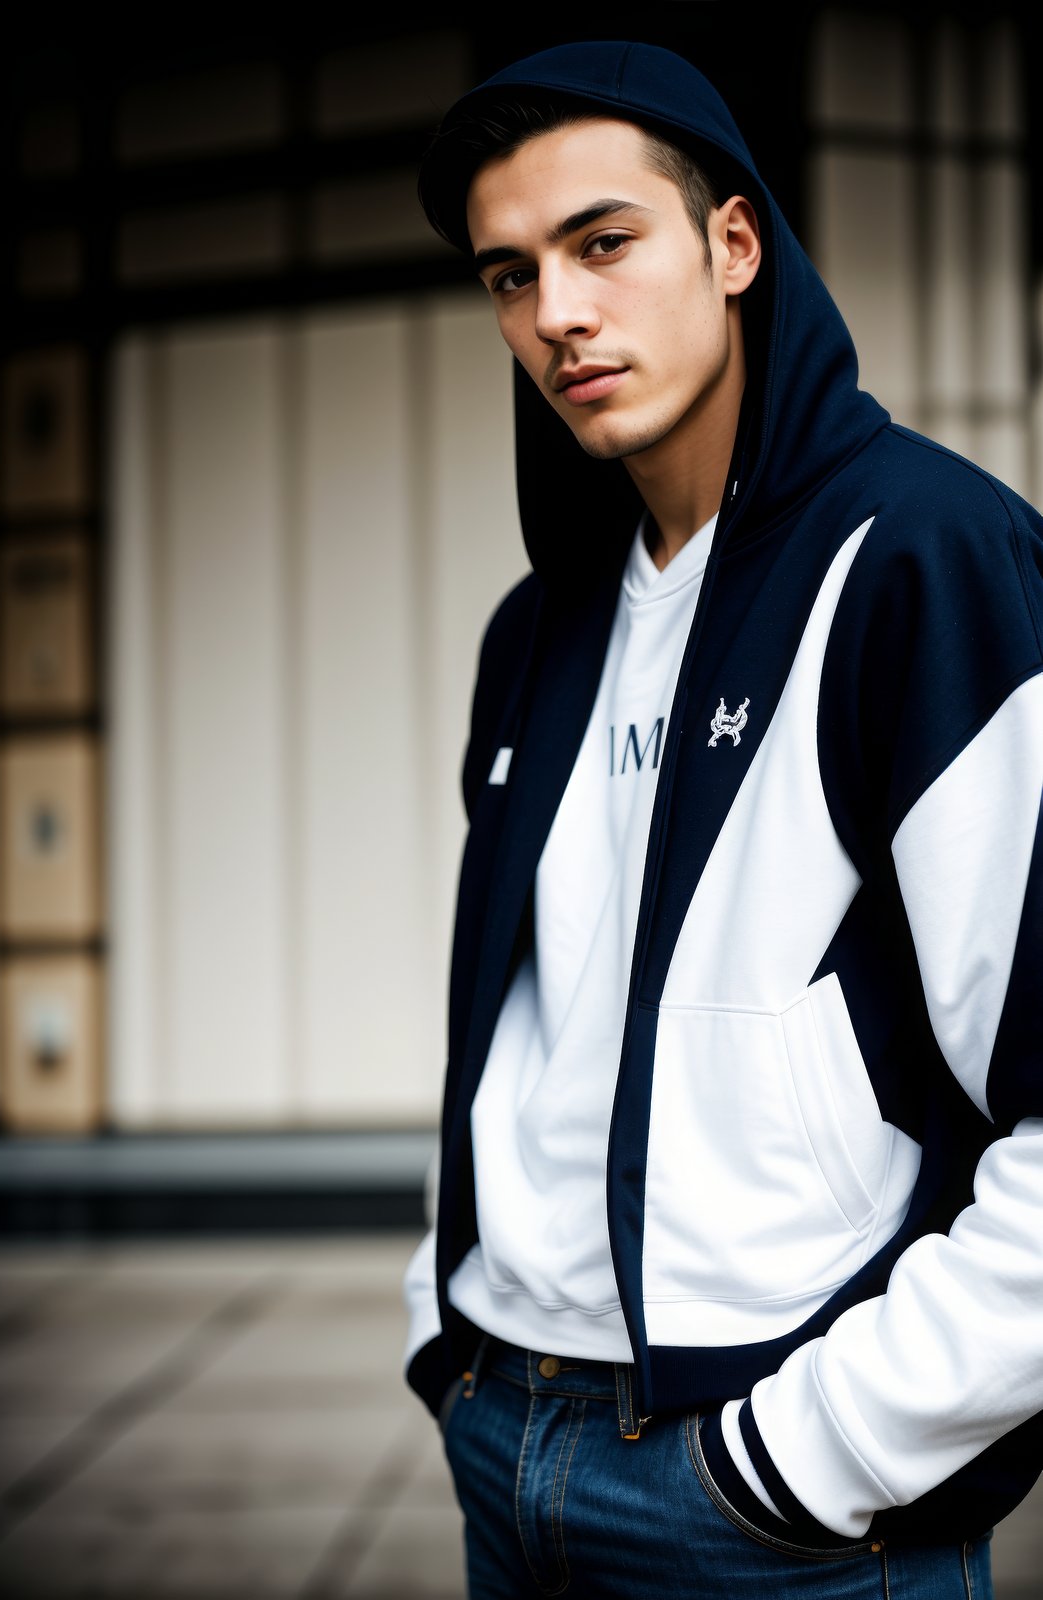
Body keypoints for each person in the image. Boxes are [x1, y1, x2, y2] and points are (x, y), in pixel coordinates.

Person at [403, 39, 1043, 1599]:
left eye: (603, 242)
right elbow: (524, 1020)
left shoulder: (925, 565)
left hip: (767, 1491)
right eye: (510, 273)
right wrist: (448, 1323)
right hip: (508, 1434)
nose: (554, 313)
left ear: (734, 243)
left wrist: (819, 1451)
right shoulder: (536, 633)